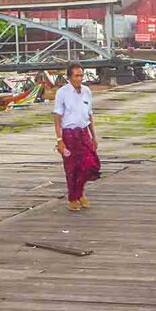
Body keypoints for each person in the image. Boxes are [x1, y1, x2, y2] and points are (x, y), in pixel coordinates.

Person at [53, 62, 101, 212]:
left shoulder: (87, 91)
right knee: (72, 167)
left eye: (81, 75)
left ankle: (80, 193)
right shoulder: (62, 93)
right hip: (69, 134)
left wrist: (94, 136)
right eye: (76, 76)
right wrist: (59, 140)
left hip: (83, 132)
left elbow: (90, 115)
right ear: (69, 77)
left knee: (90, 164)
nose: (79, 79)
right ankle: (73, 198)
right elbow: (57, 117)